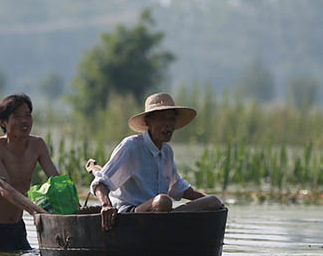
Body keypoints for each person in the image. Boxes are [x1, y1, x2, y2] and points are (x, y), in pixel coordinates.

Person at [91, 92, 224, 230]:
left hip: (160, 213)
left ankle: (172, 226)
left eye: (171, 120)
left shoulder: (167, 151)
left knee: (213, 201)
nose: (168, 125)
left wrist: (210, 201)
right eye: (162, 119)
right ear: (148, 122)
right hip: (131, 213)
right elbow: (100, 183)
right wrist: (106, 205)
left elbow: (177, 186)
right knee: (163, 201)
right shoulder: (131, 147)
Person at [0, 93, 60, 253]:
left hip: (16, 229)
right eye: (16, 117)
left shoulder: (37, 145)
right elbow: (4, 189)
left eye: (27, 115)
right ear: (3, 122)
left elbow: (57, 181)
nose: (24, 121)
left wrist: (73, 208)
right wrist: (36, 212)